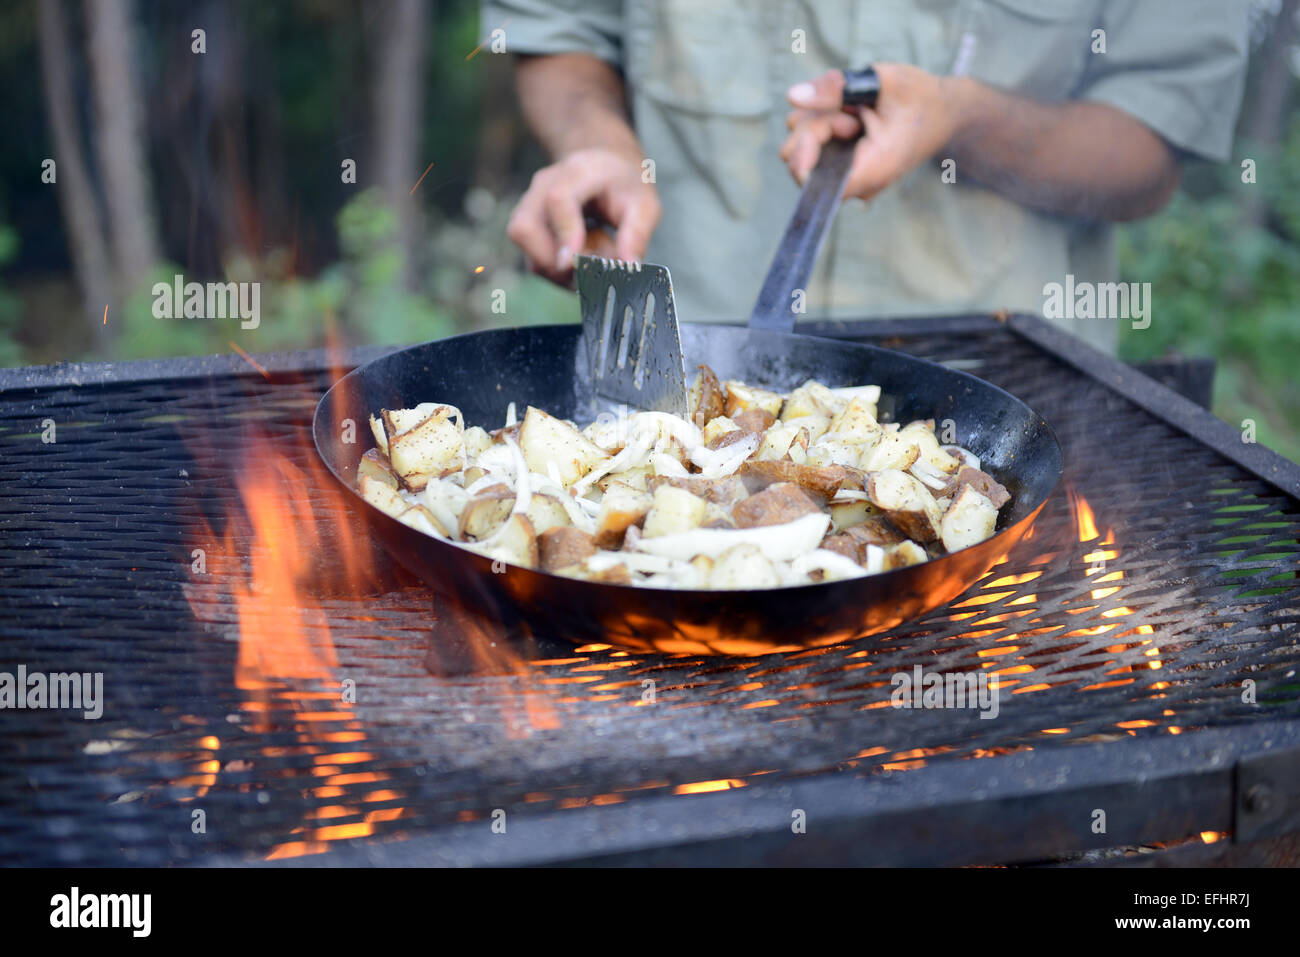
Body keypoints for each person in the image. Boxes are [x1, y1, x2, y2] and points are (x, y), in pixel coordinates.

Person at [485, 0, 1249, 352]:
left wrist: (960, 118)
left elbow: (1149, 145)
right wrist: (601, 144)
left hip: (1006, 395)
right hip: (681, 371)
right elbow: (563, 28)